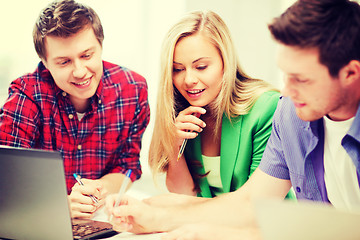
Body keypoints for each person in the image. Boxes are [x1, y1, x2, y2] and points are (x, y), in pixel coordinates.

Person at [106, 0, 360, 238]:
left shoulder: (271, 107)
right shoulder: (292, 116)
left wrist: (195, 226)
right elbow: (251, 204)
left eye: (301, 79)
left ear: (351, 73)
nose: (286, 91)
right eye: (286, 75)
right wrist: (155, 215)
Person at [0, 0, 150, 219]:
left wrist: (99, 189)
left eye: (87, 55)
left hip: (101, 217)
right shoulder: (26, 95)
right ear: (45, 62)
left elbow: (128, 167)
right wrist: (58, 206)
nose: (80, 72)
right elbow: (7, 178)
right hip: (39, 219)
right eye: (64, 62)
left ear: (100, 46)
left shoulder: (133, 90)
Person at [148, 10, 280, 198]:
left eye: (201, 67)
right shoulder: (182, 114)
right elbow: (184, 195)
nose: (188, 80)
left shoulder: (266, 107)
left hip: (262, 224)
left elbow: (257, 202)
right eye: (177, 69)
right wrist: (174, 144)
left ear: (225, 62)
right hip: (206, 224)